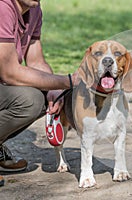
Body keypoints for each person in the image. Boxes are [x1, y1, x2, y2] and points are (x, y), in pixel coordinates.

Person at [0, 0, 77, 180]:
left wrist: (55, 89)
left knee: (46, 98)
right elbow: (9, 72)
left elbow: (36, 61)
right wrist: (68, 81)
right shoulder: (3, 7)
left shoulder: (33, 10)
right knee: (30, 100)